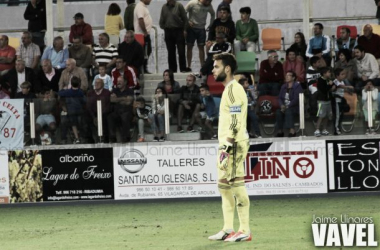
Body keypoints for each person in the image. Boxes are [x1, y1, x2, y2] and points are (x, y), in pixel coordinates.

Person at [208, 52, 251, 242]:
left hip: (233, 145)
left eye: (216, 66)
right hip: (226, 144)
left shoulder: (234, 89)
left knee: (236, 186)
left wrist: (228, 146)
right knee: (224, 187)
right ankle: (228, 228)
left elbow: (235, 120)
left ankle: (245, 230)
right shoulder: (228, 89)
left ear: (227, 69)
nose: (213, 70)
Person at [159, 0, 190, 73]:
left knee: (181, 51)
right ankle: (172, 70)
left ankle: (183, 69)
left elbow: (185, 19)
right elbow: (161, 20)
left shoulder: (179, 6)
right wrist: (165, 27)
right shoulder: (164, 7)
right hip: (168, 31)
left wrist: (185, 30)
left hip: (178, 30)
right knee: (170, 52)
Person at [185, 0, 215, 70]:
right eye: (208, 1)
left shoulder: (209, 6)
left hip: (201, 28)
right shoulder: (192, 3)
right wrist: (188, 22)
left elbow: (213, 14)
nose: (209, 2)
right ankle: (188, 66)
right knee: (189, 47)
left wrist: (211, 25)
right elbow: (184, 12)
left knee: (201, 47)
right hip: (191, 28)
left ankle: (202, 66)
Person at [58, 76, 86, 144]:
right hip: (80, 111)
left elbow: (59, 93)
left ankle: (77, 138)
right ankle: (81, 137)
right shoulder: (81, 92)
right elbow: (84, 101)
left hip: (71, 112)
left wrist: (63, 89)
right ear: (79, 84)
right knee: (79, 124)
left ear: (71, 83)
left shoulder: (68, 92)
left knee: (74, 124)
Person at [275, 71, 303, 137]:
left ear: (293, 78)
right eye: (286, 75)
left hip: (295, 107)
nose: (286, 76)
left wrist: (287, 106)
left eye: (289, 75)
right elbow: (280, 98)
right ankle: (280, 131)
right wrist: (281, 105)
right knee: (278, 112)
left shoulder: (297, 86)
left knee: (288, 111)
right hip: (284, 107)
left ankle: (292, 131)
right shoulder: (283, 86)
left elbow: (296, 99)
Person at [107, 76, 134, 143]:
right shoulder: (114, 90)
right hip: (117, 111)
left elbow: (129, 102)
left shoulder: (130, 90)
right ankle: (112, 137)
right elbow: (112, 100)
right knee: (110, 117)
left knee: (125, 116)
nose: (118, 82)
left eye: (120, 81)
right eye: (117, 81)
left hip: (127, 111)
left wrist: (117, 99)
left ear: (125, 82)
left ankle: (126, 137)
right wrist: (124, 98)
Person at [85, 78, 111, 143]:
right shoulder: (90, 93)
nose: (96, 84)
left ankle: (105, 139)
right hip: (93, 113)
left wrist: (100, 116)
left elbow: (107, 106)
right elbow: (88, 106)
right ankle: (90, 139)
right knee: (86, 118)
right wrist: (94, 117)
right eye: (95, 83)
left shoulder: (107, 92)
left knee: (107, 118)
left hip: (104, 113)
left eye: (98, 83)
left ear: (102, 84)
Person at [314, 67, 335, 137]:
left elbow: (330, 89)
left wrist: (331, 86)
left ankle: (324, 129)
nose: (330, 73)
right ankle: (317, 129)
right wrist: (330, 85)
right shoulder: (320, 80)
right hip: (321, 101)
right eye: (328, 72)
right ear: (324, 73)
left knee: (327, 116)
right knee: (321, 115)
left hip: (328, 100)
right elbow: (324, 90)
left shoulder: (328, 80)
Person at [332, 68, 353, 135]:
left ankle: (338, 127)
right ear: (337, 76)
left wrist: (348, 91)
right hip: (336, 100)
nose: (344, 76)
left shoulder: (342, 81)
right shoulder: (335, 81)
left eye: (344, 74)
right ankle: (336, 129)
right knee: (337, 115)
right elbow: (340, 86)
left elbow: (342, 89)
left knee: (340, 115)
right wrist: (348, 87)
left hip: (341, 100)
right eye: (342, 74)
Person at [134, 0, 153, 73]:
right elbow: (140, 20)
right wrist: (145, 31)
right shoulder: (140, 7)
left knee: (147, 51)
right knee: (143, 53)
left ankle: (144, 68)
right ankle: (142, 69)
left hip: (144, 34)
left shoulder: (143, 7)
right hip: (141, 34)